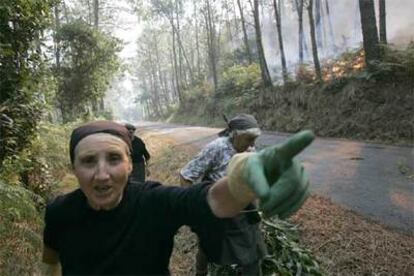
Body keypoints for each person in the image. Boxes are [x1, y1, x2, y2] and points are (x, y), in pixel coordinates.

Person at [42, 120, 314, 275]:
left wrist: (243, 181)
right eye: (88, 161)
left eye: (114, 159)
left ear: (129, 164)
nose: (102, 175)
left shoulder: (153, 202)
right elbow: (50, 262)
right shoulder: (59, 212)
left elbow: (208, 199)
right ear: (73, 168)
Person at [180, 114, 265, 276]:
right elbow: (186, 175)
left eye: (255, 139)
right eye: (249, 139)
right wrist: (191, 209)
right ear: (234, 135)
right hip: (216, 206)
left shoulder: (250, 150)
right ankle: (201, 272)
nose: (252, 144)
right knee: (208, 244)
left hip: (243, 208)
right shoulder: (217, 148)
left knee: (251, 251)